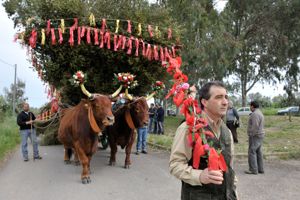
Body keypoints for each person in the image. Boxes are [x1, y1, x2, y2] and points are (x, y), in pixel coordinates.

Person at [169, 81, 238, 200]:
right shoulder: (189, 128)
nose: (225, 102)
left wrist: (234, 192)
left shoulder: (227, 131)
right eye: (218, 97)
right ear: (204, 102)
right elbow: (175, 165)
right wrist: (199, 176)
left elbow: (230, 168)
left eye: (226, 97)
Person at [245, 100, 265, 175]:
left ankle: (253, 169)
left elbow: (255, 126)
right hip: (260, 135)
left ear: (252, 106)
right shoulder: (260, 112)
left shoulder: (254, 114)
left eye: (250, 106)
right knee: (258, 152)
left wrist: (251, 134)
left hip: (255, 135)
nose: (249, 107)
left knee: (252, 152)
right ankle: (260, 169)